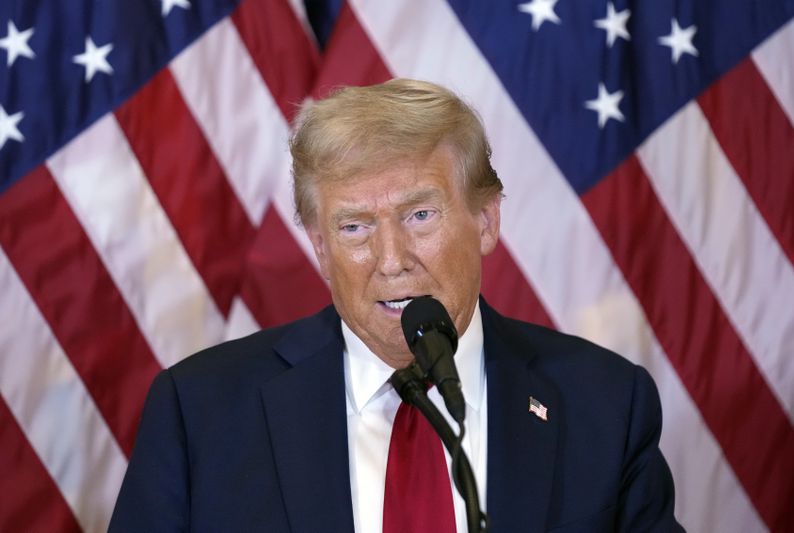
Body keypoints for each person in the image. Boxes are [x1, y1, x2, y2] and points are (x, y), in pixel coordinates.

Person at [109, 78, 683, 532]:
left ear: (486, 220)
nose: (391, 260)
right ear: (319, 247)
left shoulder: (604, 405)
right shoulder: (200, 413)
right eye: (354, 226)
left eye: (419, 215)